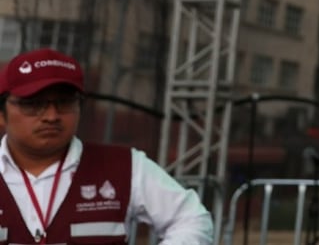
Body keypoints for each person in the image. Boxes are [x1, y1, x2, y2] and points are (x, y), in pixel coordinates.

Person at [0, 48, 214, 243]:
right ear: (2, 114)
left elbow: (192, 219)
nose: (51, 116)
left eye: (65, 102)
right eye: (34, 104)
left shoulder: (125, 166)